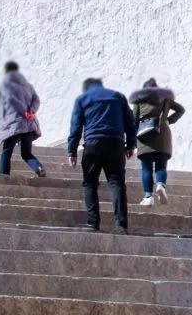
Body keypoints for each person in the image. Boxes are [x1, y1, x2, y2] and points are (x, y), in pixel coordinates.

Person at [67, 77, 136, 233]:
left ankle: (93, 223)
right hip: (116, 143)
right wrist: (131, 144)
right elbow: (130, 121)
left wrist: (72, 150)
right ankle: (121, 224)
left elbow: (76, 125)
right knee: (117, 183)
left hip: (93, 144)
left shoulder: (82, 99)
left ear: (86, 88)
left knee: (90, 183)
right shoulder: (118, 96)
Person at [130, 78, 185, 206]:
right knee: (161, 165)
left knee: (146, 167)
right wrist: (168, 121)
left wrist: (131, 141)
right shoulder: (166, 99)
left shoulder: (139, 101)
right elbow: (181, 110)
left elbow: (134, 120)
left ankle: (148, 196)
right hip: (162, 134)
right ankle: (161, 185)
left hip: (144, 136)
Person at [0, 61, 44, 177]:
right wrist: (30, 111)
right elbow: (37, 100)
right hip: (29, 124)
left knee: (6, 152)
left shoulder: (6, 85)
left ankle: (4, 177)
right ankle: (38, 167)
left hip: (14, 124)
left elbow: (10, 101)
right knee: (26, 153)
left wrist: (23, 112)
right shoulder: (28, 85)